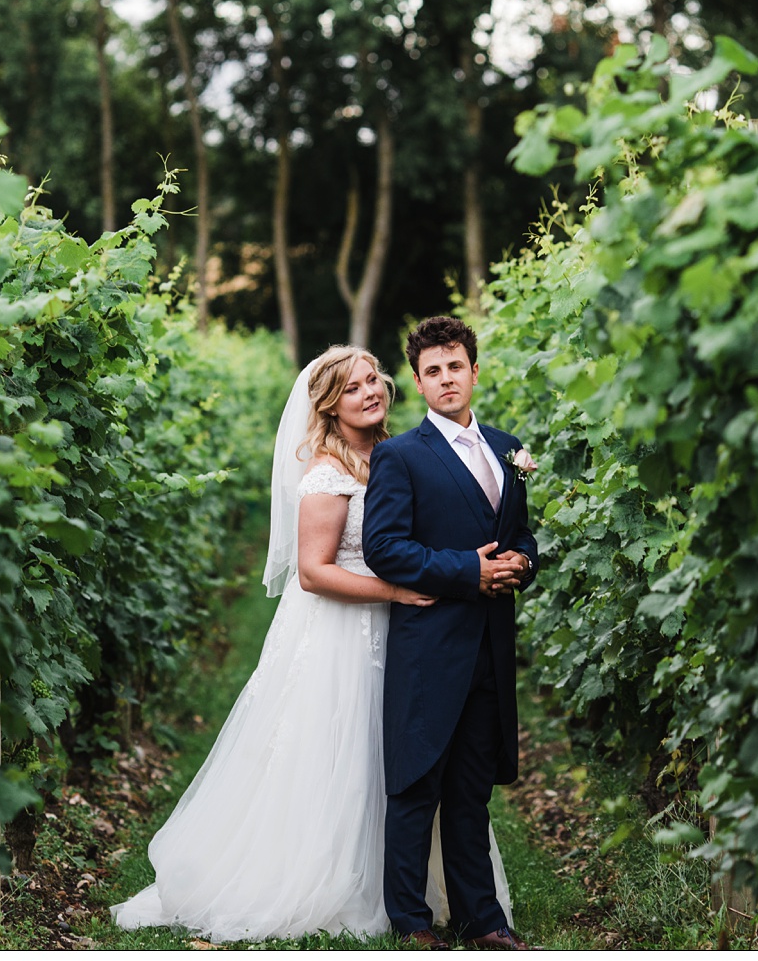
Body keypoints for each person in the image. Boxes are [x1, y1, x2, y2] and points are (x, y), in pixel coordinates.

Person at [111, 345, 512, 944]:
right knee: (348, 757)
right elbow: (313, 572)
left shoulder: (402, 455)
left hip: (412, 639)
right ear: (328, 405)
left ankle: (428, 891)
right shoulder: (327, 473)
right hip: (345, 637)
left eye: (374, 380)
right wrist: (398, 593)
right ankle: (339, 884)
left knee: (414, 758)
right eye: (353, 388)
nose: (371, 392)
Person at [363, 316, 539, 950]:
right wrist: (472, 570)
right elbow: (384, 548)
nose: (445, 379)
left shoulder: (508, 448)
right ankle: (410, 922)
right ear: (417, 381)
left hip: (491, 648)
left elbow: (519, 535)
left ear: (473, 369)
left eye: (454, 366)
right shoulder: (399, 455)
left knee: (470, 793)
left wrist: (523, 561)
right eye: (432, 371)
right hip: (429, 648)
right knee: (416, 789)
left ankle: (482, 919)